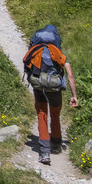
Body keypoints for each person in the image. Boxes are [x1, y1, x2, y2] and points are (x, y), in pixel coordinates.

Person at [24, 24, 79, 164]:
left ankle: (44, 152)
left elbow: (26, 66)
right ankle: (55, 144)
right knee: (55, 115)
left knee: (42, 115)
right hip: (55, 89)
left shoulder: (35, 50)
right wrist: (74, 96)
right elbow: (70, 76)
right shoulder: (58, 53)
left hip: (39, 87)